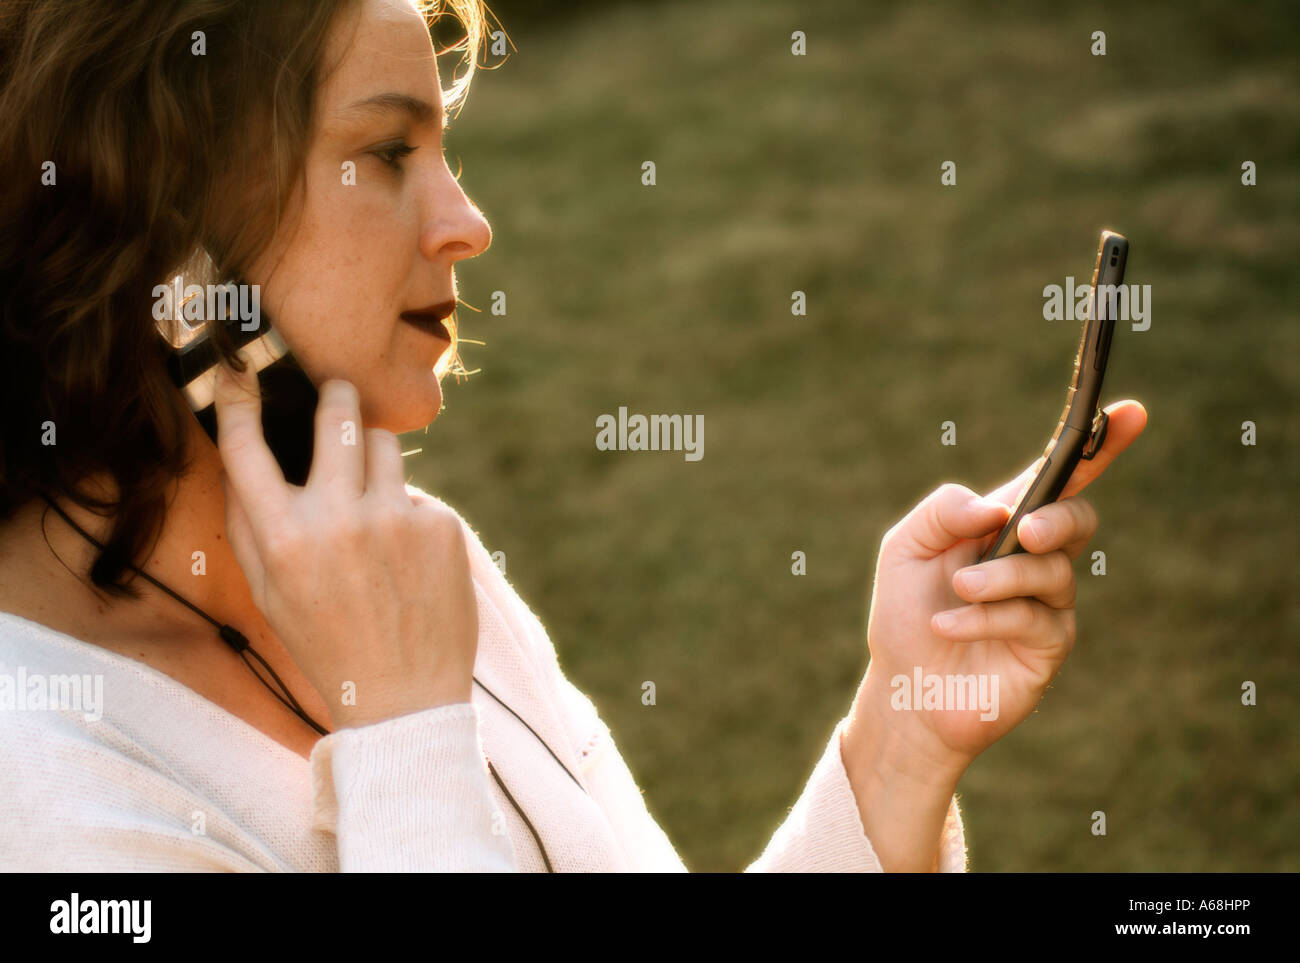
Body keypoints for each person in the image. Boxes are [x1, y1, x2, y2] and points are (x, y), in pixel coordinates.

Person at [0, 0, 1146, 871]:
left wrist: (898, 743)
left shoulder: (402, 560)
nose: (466, 224)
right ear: (167, 238)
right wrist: (401, 729)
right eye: (389, 153)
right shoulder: (45, 784)